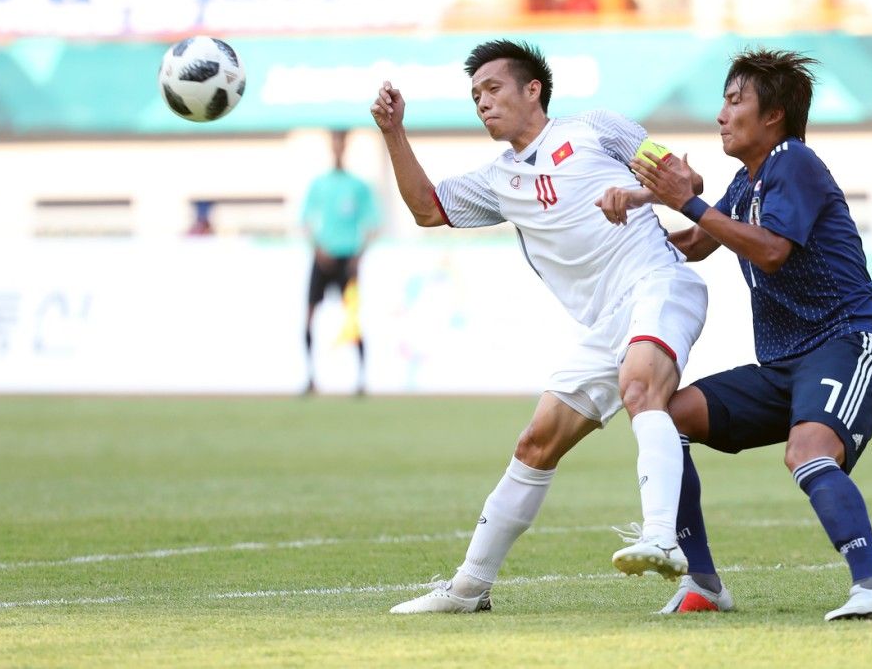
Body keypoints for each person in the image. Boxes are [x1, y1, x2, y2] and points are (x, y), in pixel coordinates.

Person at [370, 39, 709, 613]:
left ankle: (659, 537)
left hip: (658, 282)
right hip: (604, 324)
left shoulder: (596, 129)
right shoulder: (498, 180)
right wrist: (393, 132)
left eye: (493, 88)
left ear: (533, 90)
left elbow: (687, 180)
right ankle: (469, 588)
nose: (483, 102)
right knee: (535, 443)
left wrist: (634, 193)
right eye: (475, 96)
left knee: (639, 387)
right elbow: (427, 208)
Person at [598, 48, 872, 620]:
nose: (721, 114)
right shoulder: (747, 182)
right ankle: (704, 583)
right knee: (667, 417)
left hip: (846, 342)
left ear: (773, 115)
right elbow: (696, 243)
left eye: (734, 100)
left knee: (807, 451)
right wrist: (625, 224)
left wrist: (686, 199)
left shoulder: (794, 161)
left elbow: (769, 251)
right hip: (783, 365)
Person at [301, 129, 382, 396]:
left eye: (341, 143)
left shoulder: (358, 186)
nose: (337, 148)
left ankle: (361, 380)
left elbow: (373, 224)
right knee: (310, 315)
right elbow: (305, 220)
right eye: (334, 143)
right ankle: (310, 377)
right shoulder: (319, 184)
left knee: (352, 319)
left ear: (345, 146)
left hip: (347, 258)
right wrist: (317, 248)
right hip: (323, 256)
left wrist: (359, 255)